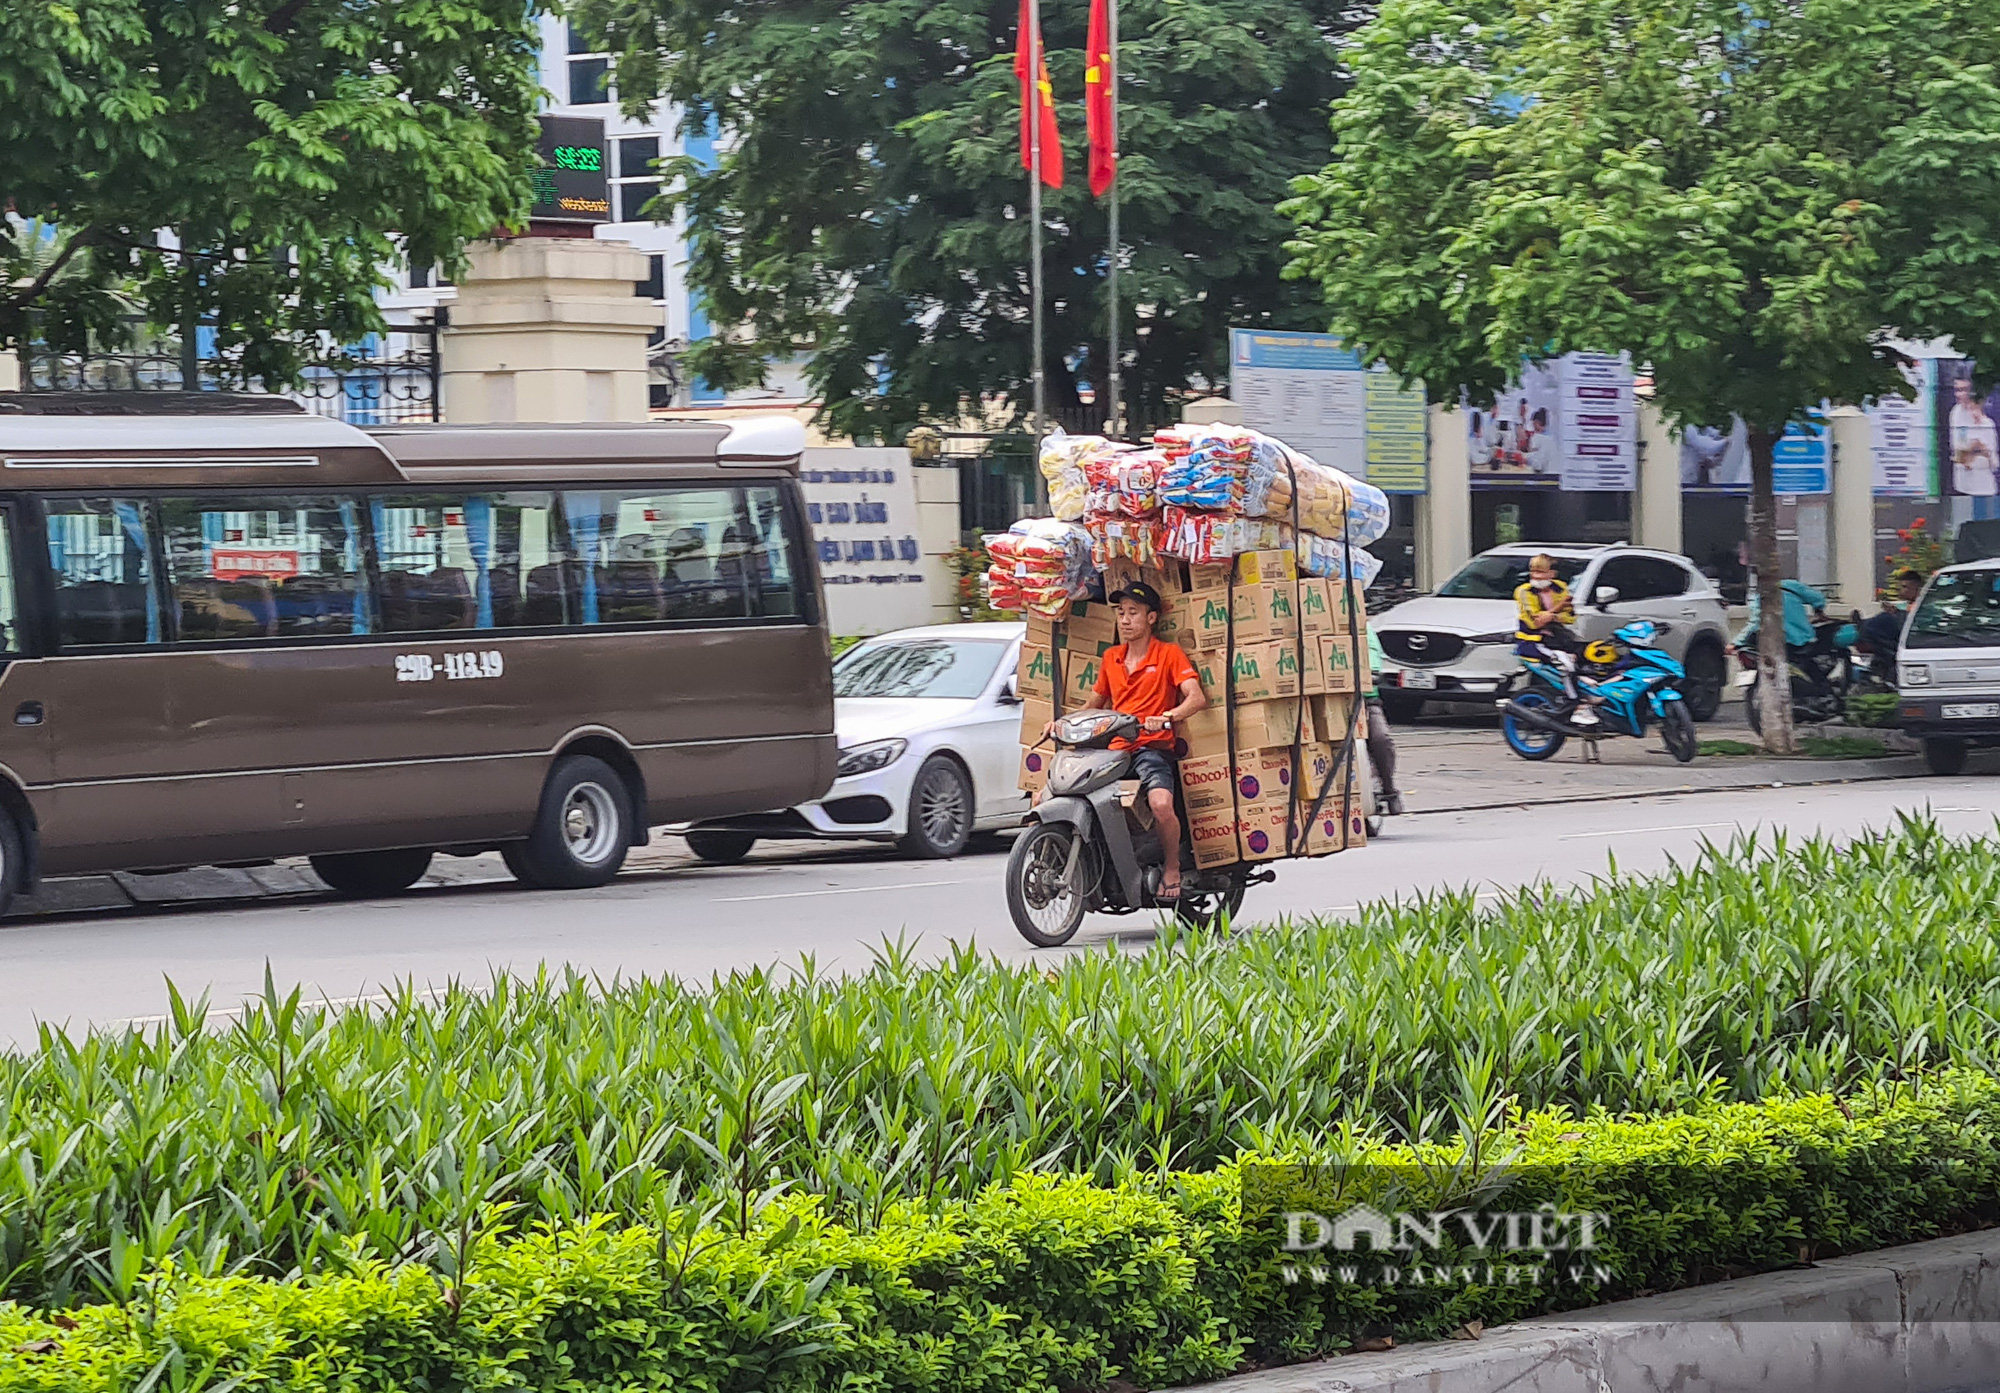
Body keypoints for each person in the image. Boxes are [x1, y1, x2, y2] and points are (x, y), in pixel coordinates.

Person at [1049, 582, 1206, 902]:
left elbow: (1196, 697)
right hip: (1115, 750)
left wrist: (1169, 716)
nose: (1124, 619)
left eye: (1133, 613)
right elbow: (1094, 704)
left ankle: (1173, 867)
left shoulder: (1169, 654)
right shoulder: (1112, 658)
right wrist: (1062, 724)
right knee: (1052, 792)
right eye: (1120, 613)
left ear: (1150, 618)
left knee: (1161, 804)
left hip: (1152, 748)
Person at [1513, 553, 1597, 725]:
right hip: (1534, 642)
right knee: (1565, 664)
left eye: (1541, 573)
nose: (1536, 577)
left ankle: (1592, 698)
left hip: (1559, 639)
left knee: (1592, 656)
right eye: (1533, 572)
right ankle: (1576, 706)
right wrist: (1558, 608)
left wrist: (1553, 615)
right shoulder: (1524, 591)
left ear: (1552, 574)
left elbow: (1570, 617)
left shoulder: (1560, 587)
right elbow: (1536, 622)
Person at [1362, 626, 1403, 815]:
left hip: (1366, 701)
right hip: (1329, 702)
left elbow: (1371, 654)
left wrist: (1371, 672)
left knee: (1381, 739)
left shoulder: (1363, 627)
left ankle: (1389, 789)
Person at [1951, 375, 2000, 497]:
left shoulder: (1988, 423)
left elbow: (1993, 459)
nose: (1959, 395)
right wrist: (1974, 449)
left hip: (1984, 486)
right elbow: (1957, 450)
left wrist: (1977, 450)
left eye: (1963, 390)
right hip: (1962, 484)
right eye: (1957, 390)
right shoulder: (1956, 413)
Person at [1858, 569, 1923, 655]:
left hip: (1909, 639)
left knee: (1885, 618)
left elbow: (1914, 621)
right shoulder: (1907, 605)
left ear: (1917, 590)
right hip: (1899, 636)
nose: (1900, 590)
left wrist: (1896, 612)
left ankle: (1861, 625)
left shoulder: (1923, 606)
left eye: (1905, 587)